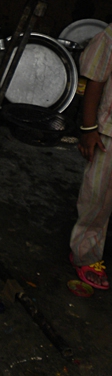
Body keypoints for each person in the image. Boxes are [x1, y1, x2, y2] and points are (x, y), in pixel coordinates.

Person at [70, 23, 112, 289]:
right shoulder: (110, 36)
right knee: (98, 198)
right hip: (109, 132)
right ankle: (86, 254)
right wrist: (88, 128)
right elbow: (96, 78)